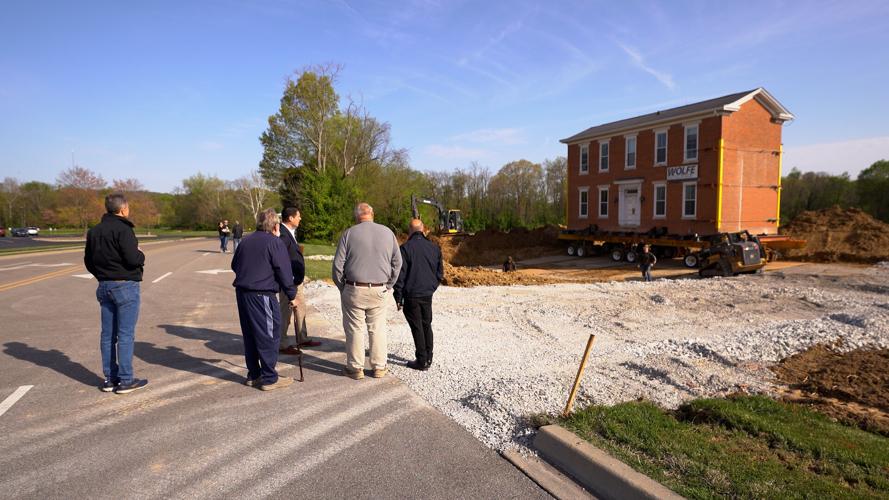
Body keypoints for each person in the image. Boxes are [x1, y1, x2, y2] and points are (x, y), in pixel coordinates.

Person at [84, 193, 148, 394]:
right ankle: (126, 380)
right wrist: (141, 254)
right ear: (122, 209)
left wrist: (102, 275)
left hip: (104, 285)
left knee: (107, 335)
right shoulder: (124, 229)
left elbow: (88, 261)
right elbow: (132, 258)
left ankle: (110, 379)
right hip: (125, 285)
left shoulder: (94, 231)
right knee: (126, 334)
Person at [332, 203, 401, 380]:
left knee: (355, 329)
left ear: (357, 216)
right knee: (377, 328)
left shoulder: (348, 234)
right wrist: (389, 284)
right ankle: (379, 367)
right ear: (372, 214)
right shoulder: (388, 233)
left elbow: (338, 266)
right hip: (380, 288)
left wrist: (343, 287)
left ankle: (355, 368)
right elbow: (397, 263)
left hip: (354, 288)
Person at [231, 208, 297, 391]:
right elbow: (284, 272)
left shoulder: (246, 240)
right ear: (275, 225)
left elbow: (234, 264)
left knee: (251, 334)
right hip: (262, 294)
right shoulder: (274, 243)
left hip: (243, 293)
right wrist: (292, 295)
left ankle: (254, 374)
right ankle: (269, 378)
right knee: (269, 334)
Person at [393, 219, 443, 371]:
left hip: (412, 294)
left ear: (410, 231)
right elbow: (440, 273)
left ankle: (421, 360)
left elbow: (400, 276)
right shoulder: (434, 248)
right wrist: (432, 287)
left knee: (417, 326)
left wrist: (398, 297)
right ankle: (429, 356)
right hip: (427, 293)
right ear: (423, 230)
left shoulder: (405, 249)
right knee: (426, 324)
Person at [278, 207, 320, 354]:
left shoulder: (290, 233)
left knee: (301, 308)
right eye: (298, 216)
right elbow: (280, 260)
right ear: (290, 218)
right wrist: (287, 280)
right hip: (289, 281)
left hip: (296, 280)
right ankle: (281, 343)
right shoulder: (283, 235)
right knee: (285, 311)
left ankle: (302, 337)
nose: (300, 219)